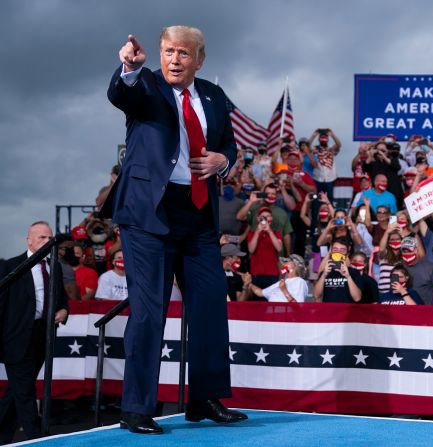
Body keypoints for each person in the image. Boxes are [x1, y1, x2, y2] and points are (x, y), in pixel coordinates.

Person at [104, 27, 246, 434]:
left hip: (199, 215)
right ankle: (136, 408)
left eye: (183, 53)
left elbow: (231, 146)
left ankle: (204, 399)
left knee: (209, 307)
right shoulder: (144, 84)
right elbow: (121, 93)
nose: (174, 59)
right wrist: (128, 68)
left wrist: (223, 160)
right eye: (168, 51)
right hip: (149, 215)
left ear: (199, 60)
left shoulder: (215, 96)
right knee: (149, 312)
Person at [0, 221, 69, 443]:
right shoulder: (11, 266)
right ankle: (37, 437)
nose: (47, 242)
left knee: (18, 388)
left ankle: (2, 433)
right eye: (42, 238)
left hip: (42, 335)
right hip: (16, 336)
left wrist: (64, 309)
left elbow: (61, 298)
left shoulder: (54, 266)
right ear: (28, 240)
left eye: (50, 238)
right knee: (24, 390)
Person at [313, 238, 363, 303]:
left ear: (347, 254)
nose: (338, 252)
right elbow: (316, 296)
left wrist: (348, 276)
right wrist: (324, 275)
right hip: (329, 311)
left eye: (342, 250)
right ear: (331, 253)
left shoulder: (354, 272)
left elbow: (357, 298)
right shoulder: (325, 272)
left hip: (347, 312)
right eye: (335, 249)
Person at [243, 255, 308, 303]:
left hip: (285, 318)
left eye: (287, 261)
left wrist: (284, 290)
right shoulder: (281, 282)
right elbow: (259, 292)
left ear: (295, 265)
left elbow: (298, 306)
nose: (283, 264)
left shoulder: (299, 281)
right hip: (272, 318)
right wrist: (249, 283)